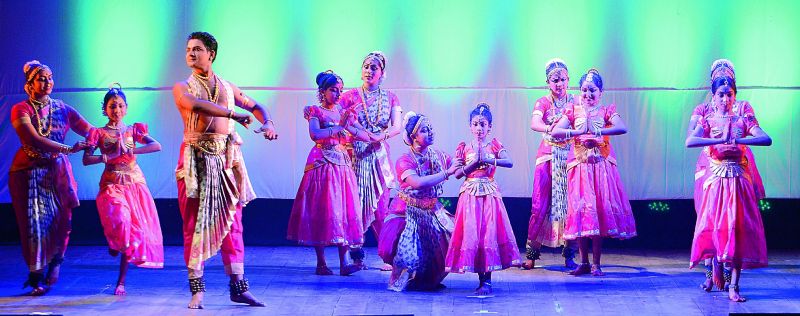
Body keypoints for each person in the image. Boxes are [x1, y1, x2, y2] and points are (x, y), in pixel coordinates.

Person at [172, 31, 277, 309]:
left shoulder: (227, 87)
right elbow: (194, 105)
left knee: (233, 223)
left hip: (224, 162)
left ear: (211, 54)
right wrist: (231, 114)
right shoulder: (183, 87)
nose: (191, 54)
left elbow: (255, 106)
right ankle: (197, 290)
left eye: (197, 49)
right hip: (195, 162)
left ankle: (238, 286)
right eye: (188, 50)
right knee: (194, 225)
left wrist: (267, 123)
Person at [686, 65, 771, 302]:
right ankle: (711, 274)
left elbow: (764, 137)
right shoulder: (705, 111)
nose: (725, 97)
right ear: (712, 89)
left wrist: (738, 139)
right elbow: (691, 137)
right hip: (711, 170)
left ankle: (732, 282)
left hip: (738, 171)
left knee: (736, 225)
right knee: (711, 222)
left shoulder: (743, 110)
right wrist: (718, 139)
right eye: (720, 91)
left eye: (729, 91)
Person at [9, 60, 92, 295]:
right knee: (35, 224)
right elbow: (34, 138)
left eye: (50, 77)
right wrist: (68, 149)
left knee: (64, 219)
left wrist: (114, 133)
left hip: (58, 170)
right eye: (41, 78)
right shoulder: (20, 109)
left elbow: (89, 130)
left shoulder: (62, 108)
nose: (47, 82)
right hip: (28, 173)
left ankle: (56, 263)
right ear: (30, 84)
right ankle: (36, 275)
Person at [551, 68, 637, 276]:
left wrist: (599, 132)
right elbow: (556, 131)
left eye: (592, 90)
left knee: (596, 213)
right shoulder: (572, 110)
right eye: (584, 90)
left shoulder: (606, 110)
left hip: (600, 167)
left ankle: (596, 263)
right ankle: (583, 262)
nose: (588, 95)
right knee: (581, 211)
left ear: (601, 92)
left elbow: (622, 127)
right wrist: (577, 132)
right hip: (579, 167)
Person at [287, 70, 374, 276]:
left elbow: (358, 132)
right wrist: (339, 128)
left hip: (342, 165)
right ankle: (321, 263)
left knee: (343, 209)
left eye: (340, 90)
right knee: (323, 209)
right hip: (322, 163)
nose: (337, 94)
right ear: (323, 91)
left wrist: (377, 137)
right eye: (333, 90)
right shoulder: (315, 111)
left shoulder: (342, 112)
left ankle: (344, 264)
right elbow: (315, 134)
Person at [83, 84, 164, 295]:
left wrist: (133, 149)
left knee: (131, 232)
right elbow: (86, 159)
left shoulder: (133, 130)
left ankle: (121, 281)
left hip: (134, 184)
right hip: (112, 184)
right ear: (105, 109)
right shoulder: (98, 133)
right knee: (121, 218)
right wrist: (106, 157)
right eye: (112, 106)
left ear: (126, 108)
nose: (116, 110)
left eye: (120, 106)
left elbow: (156, 146)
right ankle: (114, 240)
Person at [445, 103, 521, 295]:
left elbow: (509, 162)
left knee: (488, 233)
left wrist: (487, 160)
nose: (479, 128)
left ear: (490, 127)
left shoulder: (494, 145)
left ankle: (486, 280)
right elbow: (457, 174)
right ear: (470, 126)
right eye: (476, 124)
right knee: (473, 234)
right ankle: (478, 275)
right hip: (469, 194)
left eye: (483, 124)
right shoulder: (464, 147)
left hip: (489, 194)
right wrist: (473, 164)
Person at [381, 112, 461, 291]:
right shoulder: (404, 160)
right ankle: (405, 280)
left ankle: (428, 281)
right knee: (409, 253)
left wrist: (474, 158)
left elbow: (458, 169)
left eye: (430, 129)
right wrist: (447, 173)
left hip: (432, 209)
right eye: (424, 130)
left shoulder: (438, 155)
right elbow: (417, 182)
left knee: (448, 242)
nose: (430, 132)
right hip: (408, 211)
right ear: (413, 137)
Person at [339, 51, 402, 270]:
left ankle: (388, 256)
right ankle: (351, 256)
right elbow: (340, 121)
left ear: (382, 73)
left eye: (374, 67)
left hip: (378, 156)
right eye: (366, 66)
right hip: (355, 155)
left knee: (381, 209)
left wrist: (379, 137)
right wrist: (362, 135)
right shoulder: (348, 96)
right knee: (353, 206)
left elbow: (397, 126)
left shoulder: (391, 97)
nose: (369, 71)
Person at [525, 58, 579, 270]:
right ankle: (531, 254)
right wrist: (550, 128)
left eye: (563, 79)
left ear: (568, 80)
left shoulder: (575, 102)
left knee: (570, 207)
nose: (559, 84)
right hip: (548, 156)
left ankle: (570, 255)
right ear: (548, 82)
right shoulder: (543, 102)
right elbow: (534, 123)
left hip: (570, 158)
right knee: (540, 205)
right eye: (555, 80)